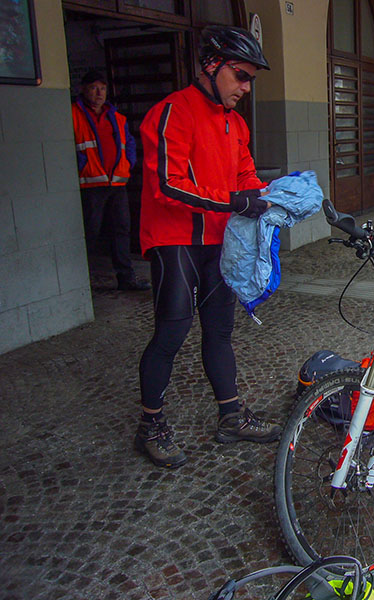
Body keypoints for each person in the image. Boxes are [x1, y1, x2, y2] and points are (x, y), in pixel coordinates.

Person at [133, 26, 280, 468]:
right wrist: (236, 201)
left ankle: (231, 416)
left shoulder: (235, 125)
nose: (246, 87)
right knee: (172, 331)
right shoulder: (170, 112)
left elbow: (245, 181)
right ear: (211, 66)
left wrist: (280, 197)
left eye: (250, 78)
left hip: (219, 242)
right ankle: (150, 425)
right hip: (173, 239)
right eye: (240, 75)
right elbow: (167, 185)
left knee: (219, 331)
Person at [72, 70, 151, 291]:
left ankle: (126, 278)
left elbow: (129, 145)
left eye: (102, 88)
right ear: (83, 89)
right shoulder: (72, 114)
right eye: (93, 88)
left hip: (116, 183)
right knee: (90, 231)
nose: (98, 93)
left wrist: (128, 164)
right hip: (90, 184)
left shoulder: (117, 117)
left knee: (122, 229)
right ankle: (80, 282)